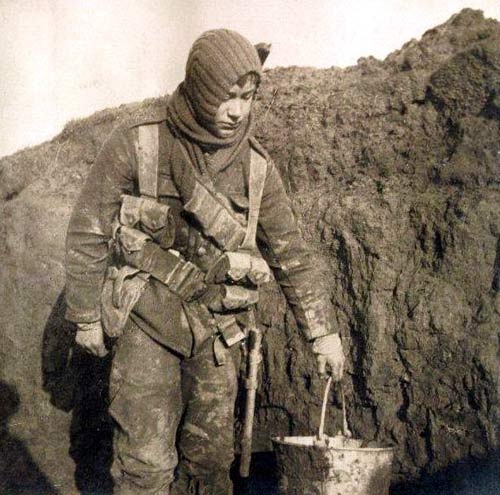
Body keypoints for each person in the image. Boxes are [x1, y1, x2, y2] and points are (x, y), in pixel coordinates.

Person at [65, 29, 345, 495]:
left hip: (218, 334)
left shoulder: (257, 168)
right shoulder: (140, 144)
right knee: (145, 466)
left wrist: (323, 335)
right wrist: (85, 317)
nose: (237, 111)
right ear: (199, 89)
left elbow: (291, 255)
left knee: (210, 466)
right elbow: (88, 228)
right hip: (146, 324)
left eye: (247, 97)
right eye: (226, 97)